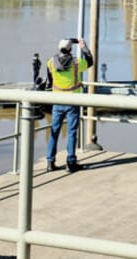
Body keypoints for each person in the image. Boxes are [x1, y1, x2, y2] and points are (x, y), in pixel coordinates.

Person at [43, 37, 93, 173]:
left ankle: (50, 162)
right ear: (71, 49)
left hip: (57, 101)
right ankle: (71, 163)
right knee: (72, 133)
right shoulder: (77, 62)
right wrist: (83, 47)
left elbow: (49, 80)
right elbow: (90, 61)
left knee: (54, 131)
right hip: (72, 101)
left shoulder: (50, 62)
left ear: (59, 48)